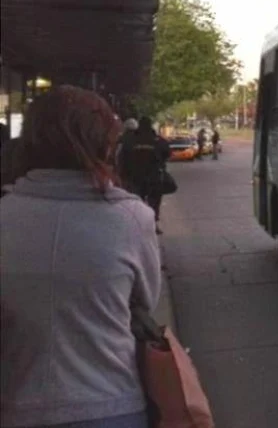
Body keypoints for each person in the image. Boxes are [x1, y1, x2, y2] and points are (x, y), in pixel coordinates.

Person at [0, 85, 162, 428]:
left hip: (16, 406)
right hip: (114, 404)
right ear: (105, 146)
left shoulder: (5, 213)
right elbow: (145, 300)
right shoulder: (132, 218)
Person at [119, 117, 170, 234]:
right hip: (154, 177)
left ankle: (137, 223)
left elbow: (122, 157)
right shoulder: (157, 140)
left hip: (134, 176)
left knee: (136, 201)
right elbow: (167, 153)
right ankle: (153, 223)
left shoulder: (130, 140)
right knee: (154, 201)